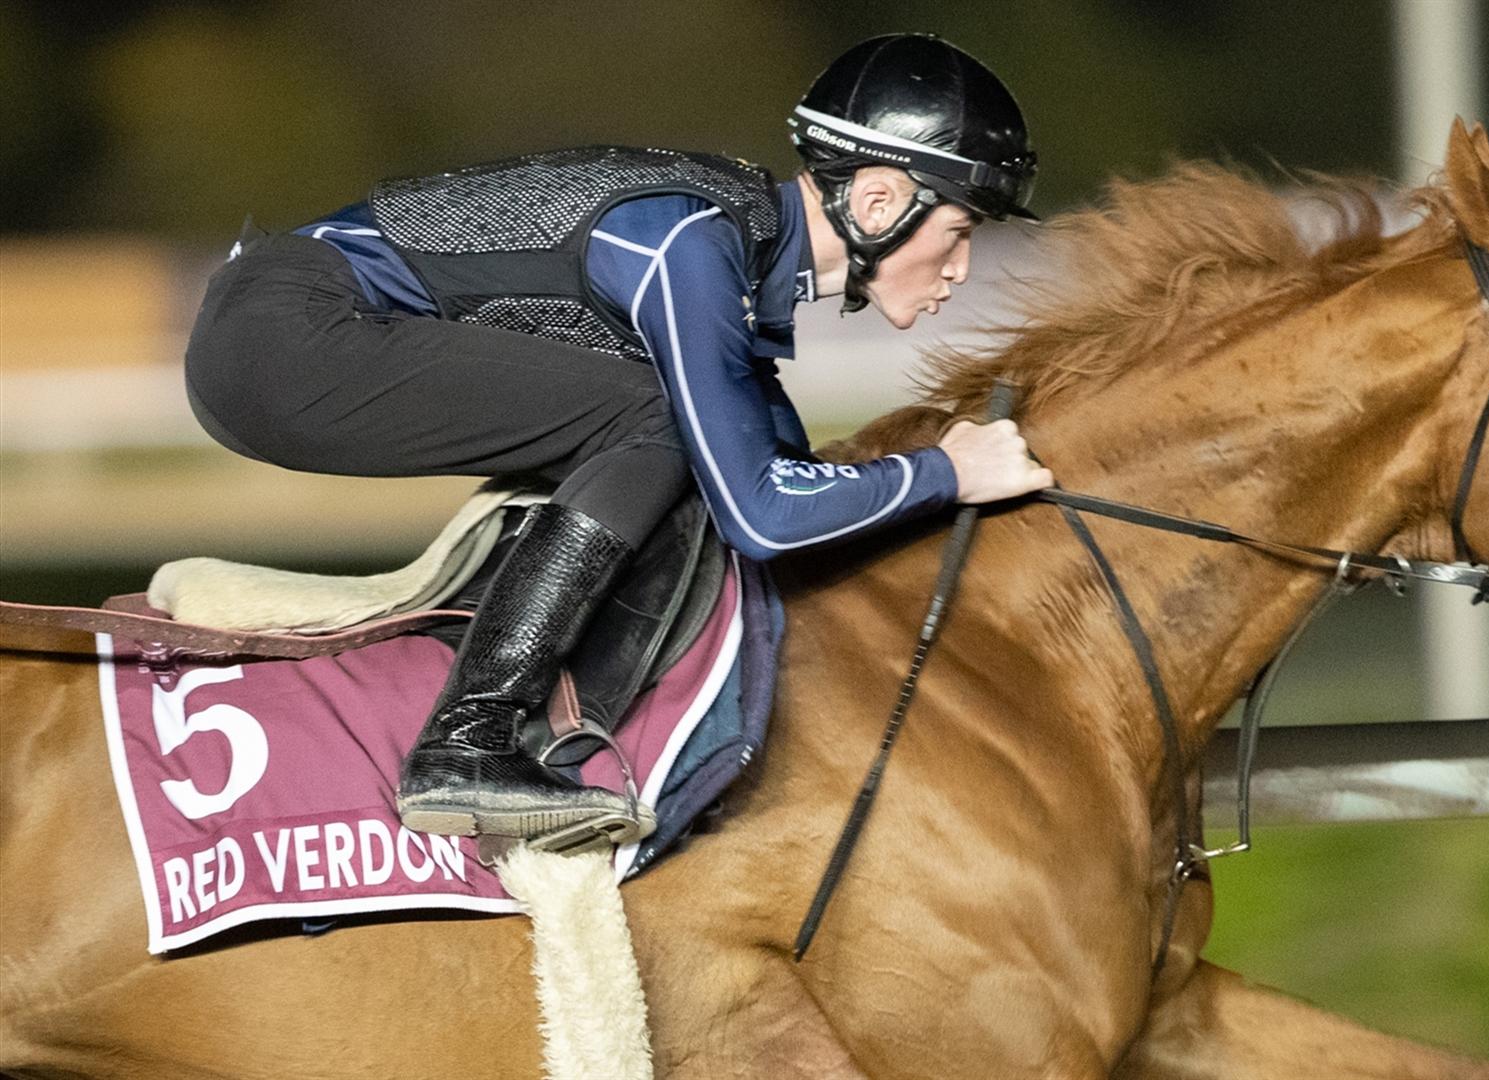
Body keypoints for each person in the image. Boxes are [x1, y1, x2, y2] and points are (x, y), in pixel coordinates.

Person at [181, 33, 1054, 850]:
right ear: (878, 200)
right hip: (284, 336)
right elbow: (765, 517)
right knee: (650, 418)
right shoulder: (695, 245)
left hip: (283, 331)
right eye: (961, 231)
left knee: (663, 431)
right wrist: (947, 471)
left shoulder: (733, 247)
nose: (962, 270)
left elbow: (781, 475)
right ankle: (467, 741)